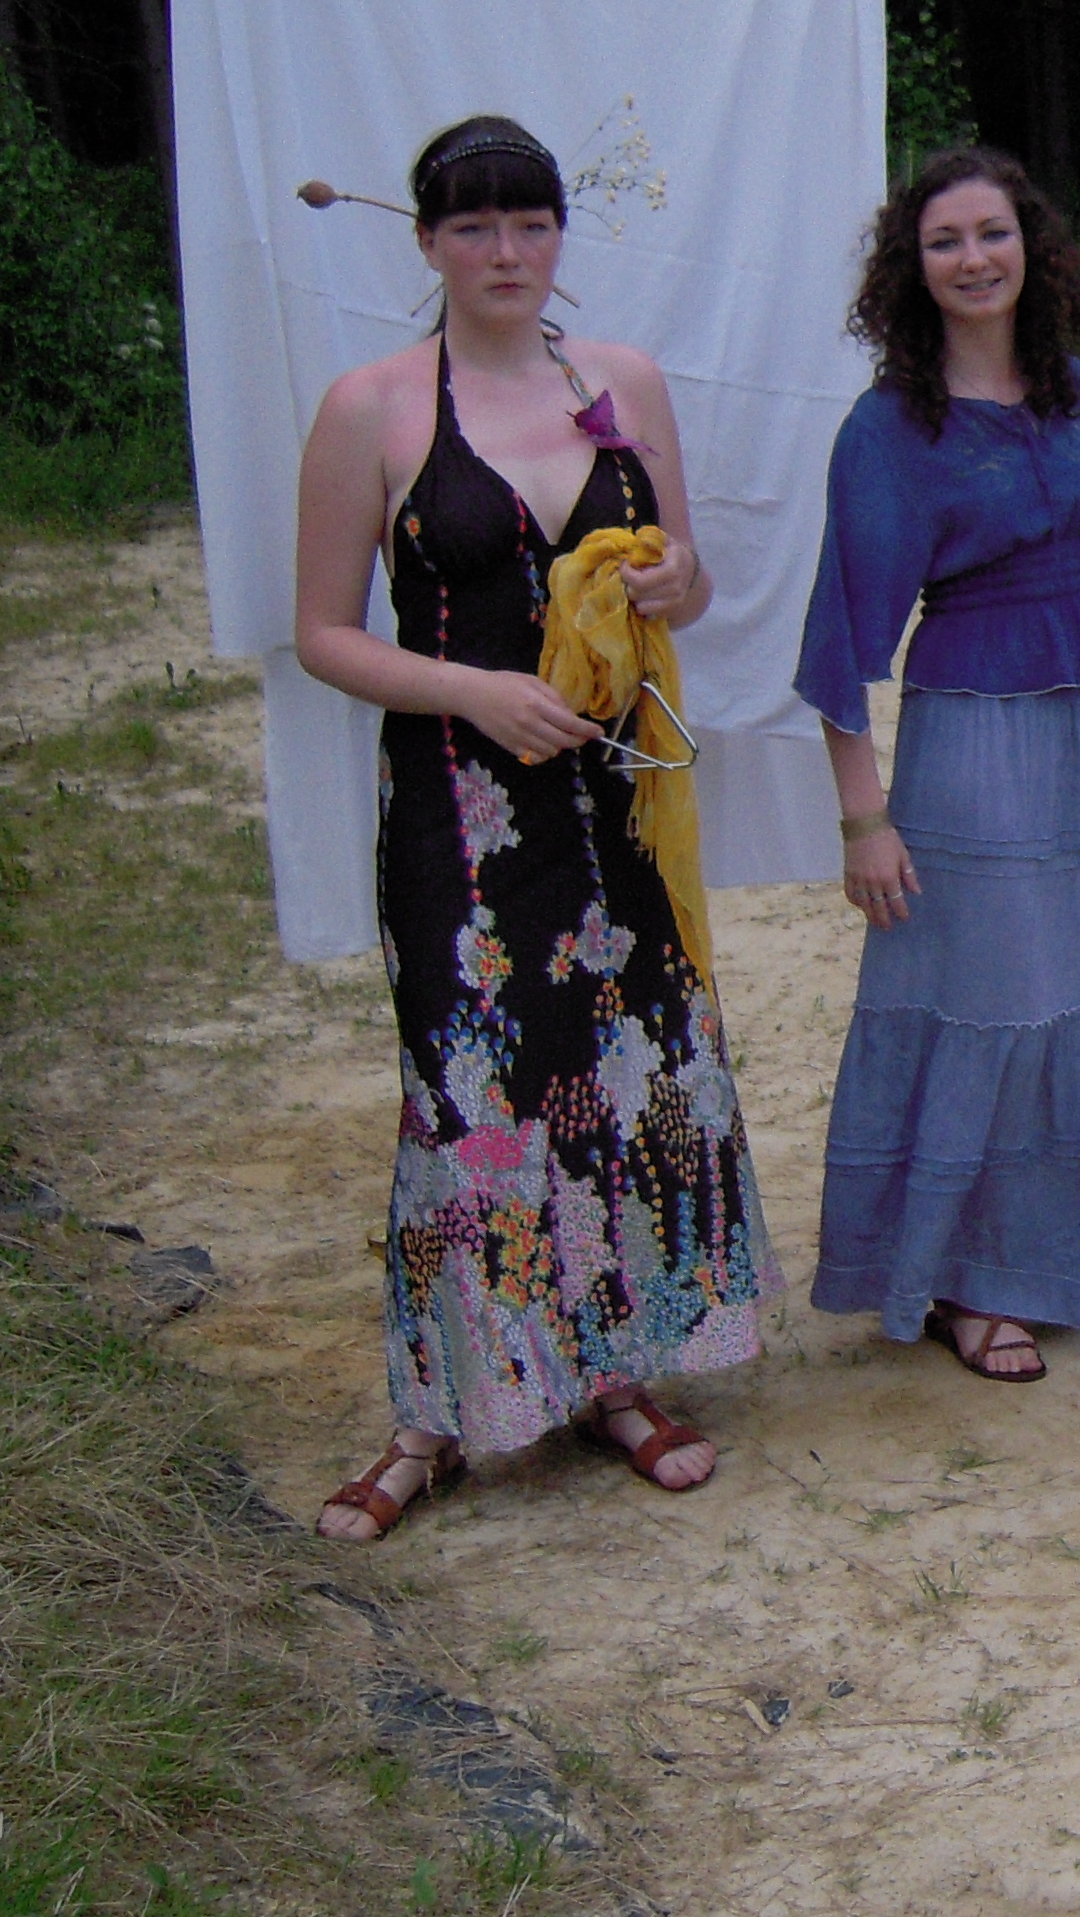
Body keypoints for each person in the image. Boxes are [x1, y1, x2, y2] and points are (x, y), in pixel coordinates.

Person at [294, 115, 767, 1540]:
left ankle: (613, 1371)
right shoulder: (373, 407)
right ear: (427, 242)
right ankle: (439, 1412)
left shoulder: (619, 383)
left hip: (615, 799)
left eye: (532, 224)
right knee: (471, 1096)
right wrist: (474, 692)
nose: (507, 253)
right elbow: (321, 633)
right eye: (474, 227)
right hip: (462, 804)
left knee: (619, 1076)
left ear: (562, 235)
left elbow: (688, 575)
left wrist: (676, 581)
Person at [797, 145, 1080, 1382]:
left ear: (1031, 247)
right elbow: (841, 638)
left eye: (992, 233)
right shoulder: (889, 429)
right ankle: (972, 1279)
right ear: (912, 268)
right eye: (945, 240)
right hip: (973, 741)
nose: (974, 259)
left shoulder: (1076, 396)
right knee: (997, 1004)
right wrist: (864, 819)